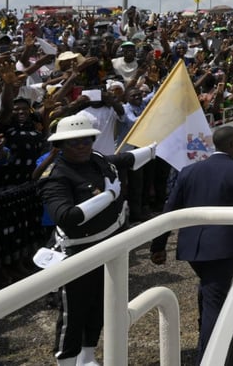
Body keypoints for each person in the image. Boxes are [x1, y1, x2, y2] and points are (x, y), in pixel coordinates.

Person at [36, 113, 156, 366]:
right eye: (73, 142)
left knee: (100, 305)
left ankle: (87, 356)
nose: (81, 146)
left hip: (107, 247)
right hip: (78, 254)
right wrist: (109, 196)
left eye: (86, 140)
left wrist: (154, 149)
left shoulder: (97, 158)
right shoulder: (55, 175)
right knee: (73, 313)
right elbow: (67, 217)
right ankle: (66, 362)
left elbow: (125, 160)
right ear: (60, 145)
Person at [150, 125, 233, 363]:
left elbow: (170, 209)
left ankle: (205, 338)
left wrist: (158, 245)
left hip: (191, 247)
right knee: (215, 303)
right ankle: (209, 357)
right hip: (221, 249)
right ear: (232, 144)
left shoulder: (188, 171)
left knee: (208, 289)